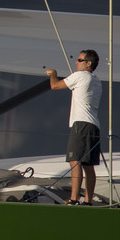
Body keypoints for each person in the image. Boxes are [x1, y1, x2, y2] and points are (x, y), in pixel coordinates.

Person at [47, 48, 103, 204]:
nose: (76, 63)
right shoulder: (97, 81)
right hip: (94, 125)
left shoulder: (80, 76)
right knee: (88, 165)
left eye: (79, 60)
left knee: (75, 161)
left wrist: (53, 74)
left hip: (81, 124)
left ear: (88, 63)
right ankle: (88, 201)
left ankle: (73, 199)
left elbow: (55, 86)